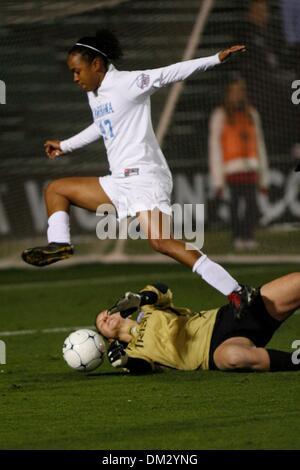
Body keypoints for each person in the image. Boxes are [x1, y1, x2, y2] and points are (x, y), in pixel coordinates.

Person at [21, 29, 249, 315]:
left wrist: (215, 59)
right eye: (71, 72)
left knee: (161, 242)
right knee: (55, 189)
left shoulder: (128, 83)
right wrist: (65, 146)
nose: (75, 78)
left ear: (97, 65)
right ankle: (60, 245)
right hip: (119, 181)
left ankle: (237, 291)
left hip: (145, 177)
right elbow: (103, 125)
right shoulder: (95, 94)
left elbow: (169, 73)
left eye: (77, 71)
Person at [95, 274, 300, 374]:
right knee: (232, 357)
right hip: (214, 351)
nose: (104, 318)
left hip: (228, 315)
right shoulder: (132, 353)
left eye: (104, 314)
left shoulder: (148, 309)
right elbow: (144, 367)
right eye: (101, 324)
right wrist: (125, 361)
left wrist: (142, 298)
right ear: (110, 338)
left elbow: (162, 290)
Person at [209, 76, 269, 250]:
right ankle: (237, 237)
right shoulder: (220, 115)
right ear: (228, 94)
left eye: (240, 91)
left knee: (251, 204)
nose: (237, 95)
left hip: (250, 167)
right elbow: (215, 147)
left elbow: (260, 144)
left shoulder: (251, 113)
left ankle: (249, 236)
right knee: (235, 205)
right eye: (233, 91)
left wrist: (263, 175)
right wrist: (218, 179)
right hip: (231, 169)